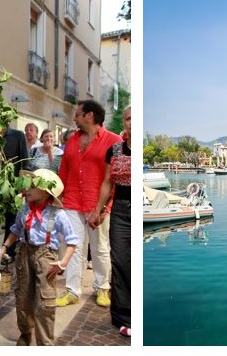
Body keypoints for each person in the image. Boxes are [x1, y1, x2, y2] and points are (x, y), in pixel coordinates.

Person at [55, 100, 122, 308]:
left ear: (90, 116)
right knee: (73, 247)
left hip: (97, 204)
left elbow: (115, 179)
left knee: (100, 247)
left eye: (78, 114)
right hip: (72, 201)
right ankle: (72, 290)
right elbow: (64, 172)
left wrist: (104, 208)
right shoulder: (73, 141)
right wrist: (58, 198)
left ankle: (102, 287)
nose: (74, 118)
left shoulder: (113, 141)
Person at [1, 169, 78, 346]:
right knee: (23, 298)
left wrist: (63, 263)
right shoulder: (24, 210)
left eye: (33, 186)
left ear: (45, 192)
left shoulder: (58, 215)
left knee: (45, 302)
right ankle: (26, 333)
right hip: (24, 254)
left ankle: (45, 342)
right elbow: (15, 230)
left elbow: (72, 241)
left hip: (46, 258)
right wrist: (5, 247)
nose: (27, 189)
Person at [89, 106, 132, 337]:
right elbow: (107, 182)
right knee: (121, 262)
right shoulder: (114, 150)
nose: (132, 122)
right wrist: (98, 210)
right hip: (122, 210)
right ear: (124, 122)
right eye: (128, 119)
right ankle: (123, 317)